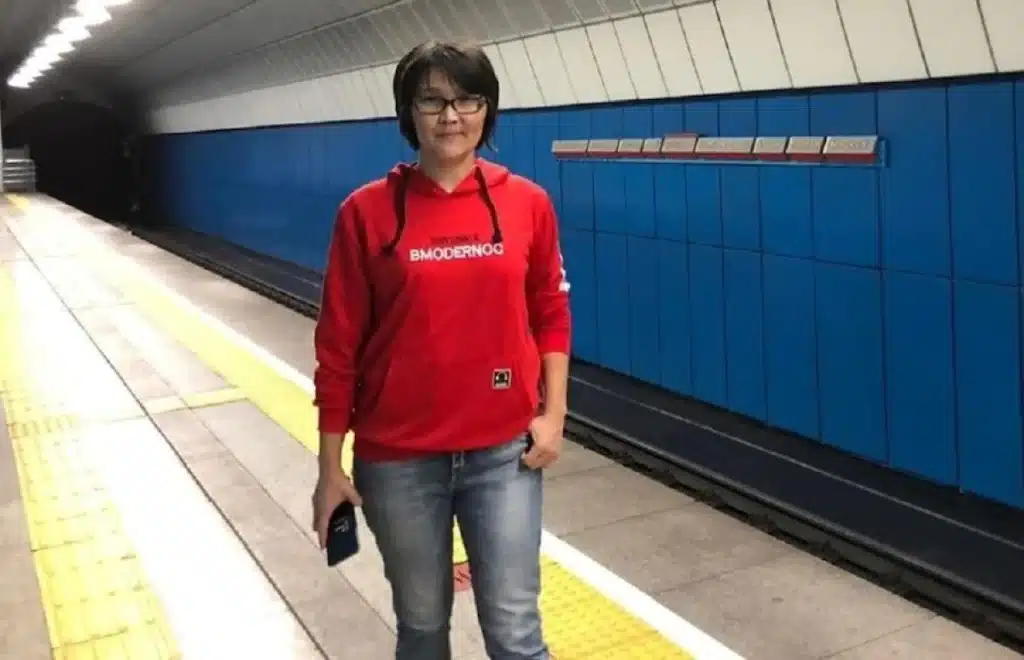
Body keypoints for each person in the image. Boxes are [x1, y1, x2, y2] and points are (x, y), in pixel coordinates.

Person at [310, 40, 572, 660]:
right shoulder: (365, 213)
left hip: (504, 455)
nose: (451, 116)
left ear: (487, 110)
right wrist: (329, 469)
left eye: (467, 100)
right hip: (398, 462)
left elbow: (551, 312)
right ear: (409, 112)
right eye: (432, 101)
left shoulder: (527, 203)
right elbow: (338, 348)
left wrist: (554, 414)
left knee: (516, 633)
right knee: (423, 629)